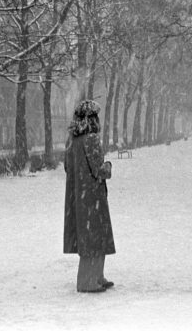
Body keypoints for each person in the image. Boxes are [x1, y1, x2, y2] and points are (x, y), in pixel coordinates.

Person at [63, 100, 115, 293]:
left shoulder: (71, 141)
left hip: (78, 196)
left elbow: (68, 168)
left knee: (87, 237)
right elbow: (99, 170)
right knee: (96, 237)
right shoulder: (91, 139)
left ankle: (96, 277)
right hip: (92, 195)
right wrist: (108, 166)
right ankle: (89, 281)